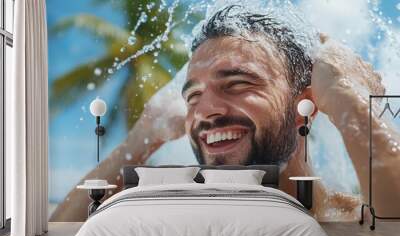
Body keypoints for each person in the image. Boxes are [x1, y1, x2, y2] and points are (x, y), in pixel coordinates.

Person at [50, 5, 399, 222]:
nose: (206, 111)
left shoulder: (352, 218)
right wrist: (144, 136)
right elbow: (62, 235)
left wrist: (345, 98)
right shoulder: (176, 222)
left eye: (236, 84)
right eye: (193, 96)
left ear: (304, 108)